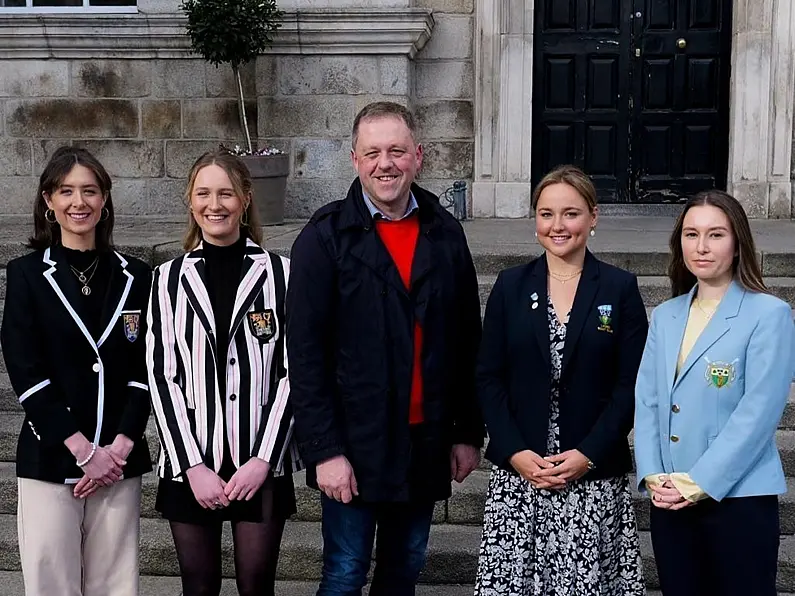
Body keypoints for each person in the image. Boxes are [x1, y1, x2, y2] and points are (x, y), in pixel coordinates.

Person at [287, 101, 484, 595]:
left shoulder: (445, 232)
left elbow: (465, 338)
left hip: (424, 442)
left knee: (404, 569)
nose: (385, 163)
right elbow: (305, 356)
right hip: (354, 445)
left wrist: (465, 431)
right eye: (372, 152)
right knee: (345, 572)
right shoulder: (324, 236)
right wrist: (324, 451)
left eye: (396, 151)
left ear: (418, 155)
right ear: (355, 160)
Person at [474, 165, 647, 595]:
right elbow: (488, 377)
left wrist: (587, 454)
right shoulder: (511, 286)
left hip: (590, 473)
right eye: (546, 214)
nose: (558, 225)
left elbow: (632, 385)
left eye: (570, 213)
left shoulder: (619, 288)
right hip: (521, 476)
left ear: (593, 217)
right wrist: (513, 452)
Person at [145, 150, 302, 596]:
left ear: (246, 199)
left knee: (256, 584)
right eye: (204, 193)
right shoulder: (166, 280)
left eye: (226, 193)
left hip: (260, 459)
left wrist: (264, 460)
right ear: (191, 202)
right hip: (191, 459)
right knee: (199, 586)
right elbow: (162, 374)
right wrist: (191, 465)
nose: (215, 204)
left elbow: (294, 372)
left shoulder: (280, 274)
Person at [1, 146, 152, 596]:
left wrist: (118, 449)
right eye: (66, 191)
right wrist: (84, 452)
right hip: (51, 454)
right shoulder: (26, 274)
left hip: (119, 460)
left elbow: (147, 368)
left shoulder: (138, 276)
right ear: (48, 200)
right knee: (52, 584)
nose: (78, 202)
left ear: (105, 199)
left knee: (116, 585)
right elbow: (26, 371)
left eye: (90, 190)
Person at [634, 190, 794, 596]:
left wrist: (699, 482)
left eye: (716, 234)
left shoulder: (769, 314)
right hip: (670, 496)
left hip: (738, 496)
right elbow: (649, 400)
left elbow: (758, 412)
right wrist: (653, 474)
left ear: (738, 243)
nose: (701, 247)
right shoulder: (666, 316)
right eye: (691, 234)